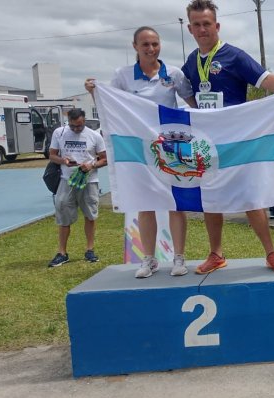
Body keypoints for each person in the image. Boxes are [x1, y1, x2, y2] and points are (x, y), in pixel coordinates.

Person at [182, 0, 274, 274]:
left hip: (239, 142)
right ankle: (215, 254)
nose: (202, 29)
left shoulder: (234, 56)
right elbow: (188, 96)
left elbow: (266, 81)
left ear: (216, 26)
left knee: (252, 198)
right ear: (190, 29)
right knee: (211, 200)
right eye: (197, 25)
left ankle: (271, 253)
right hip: (208, 144)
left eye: (207, 24)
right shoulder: (191, 62)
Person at [86, 26, 199, 279]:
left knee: (176, 203)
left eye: (155, 44)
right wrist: (94, 92)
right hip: (139, 149)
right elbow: (108, 105)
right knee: (145, 203)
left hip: (172, 147)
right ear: (135, 46)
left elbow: (193, 105)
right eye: (145, 44)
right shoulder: (123, 75)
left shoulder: (175, 74)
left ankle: (178, 257)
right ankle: (149, 259)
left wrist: (207, 122)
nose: (151, 49)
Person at [47, 109, 107, 267]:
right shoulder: (59, 133)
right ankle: (62, 252)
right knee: (63, 214)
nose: (76, 129)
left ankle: (90, 250)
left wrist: (92, 164)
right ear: (68, 121)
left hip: (89, 180)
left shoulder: (95, 136)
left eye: (79, 126)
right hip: (66, 180)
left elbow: (105, 159)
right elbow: (52, 155)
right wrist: (63, 161)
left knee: (90, 215)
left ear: (84, 120)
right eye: (72, 126)